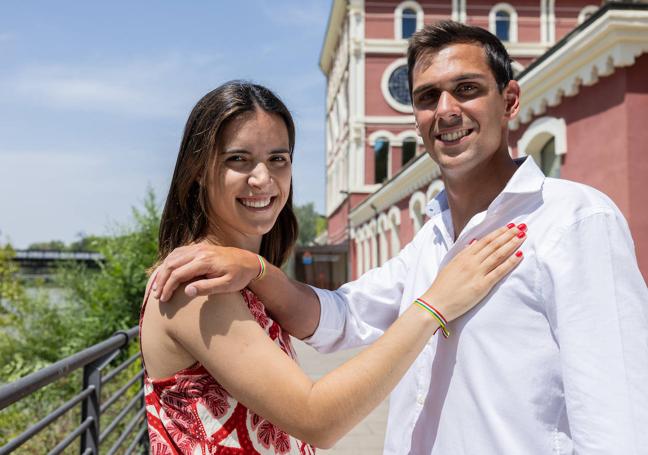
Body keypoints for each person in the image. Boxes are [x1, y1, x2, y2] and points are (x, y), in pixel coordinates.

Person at [152, 22, 648, 455]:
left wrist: (257, 269)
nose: (447, 110)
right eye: (428, 96)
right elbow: (340, 318)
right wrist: (259, 270)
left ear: (510, 101)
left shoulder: (573, 221)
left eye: (467, 89)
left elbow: (619, 422)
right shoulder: (434, 236)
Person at [140, 80, 527, 454]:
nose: (262, 178)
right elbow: (317, 417)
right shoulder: (198, 288)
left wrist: (257, 268)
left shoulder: (232, 275)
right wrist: (434, 306)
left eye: (278, 159)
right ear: (198, 172)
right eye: (238, 160)